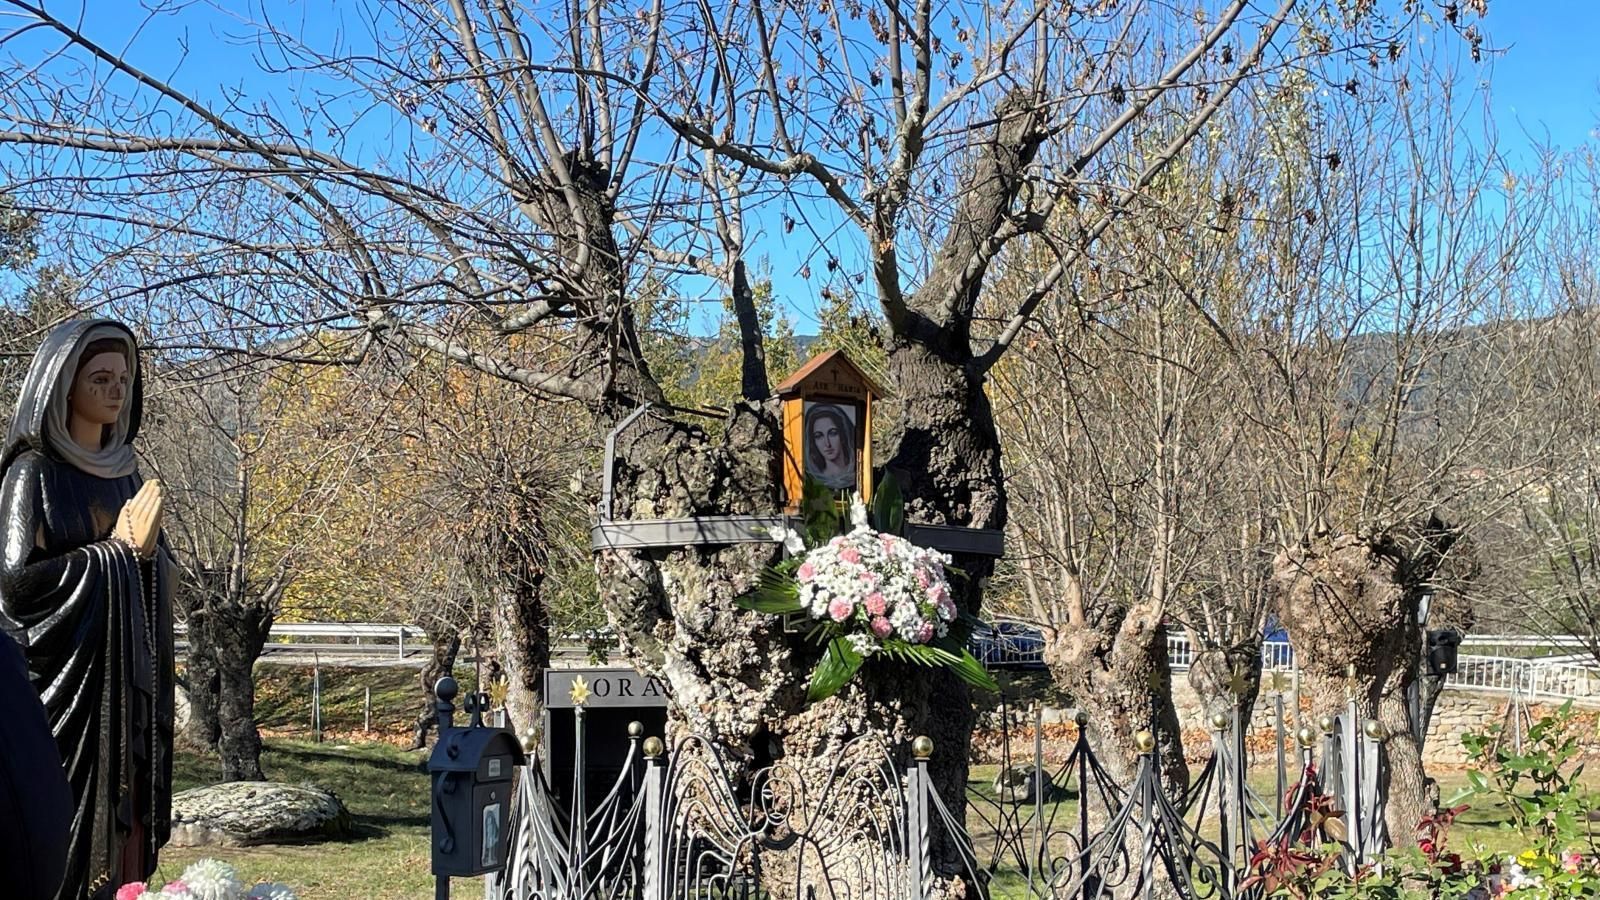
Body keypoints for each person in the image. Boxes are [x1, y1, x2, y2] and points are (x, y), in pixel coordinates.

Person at [0, 319, 175, 900]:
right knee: (60, 820)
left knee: (122, 823)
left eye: (123, 378)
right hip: (60, 692)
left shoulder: (127, 476)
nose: (115, 390)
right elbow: (16, 584)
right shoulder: (34, 475)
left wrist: (145, 561)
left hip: (120, 689)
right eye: (99, 378)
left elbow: (152, 571)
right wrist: (117, 554)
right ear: (61, 387)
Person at [803, 403, 856, 490]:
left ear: (842, 435)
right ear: (813, 442)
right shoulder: (812, 479)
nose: (827, 444)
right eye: (818, 436)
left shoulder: (858, 474)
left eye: (833, 433)